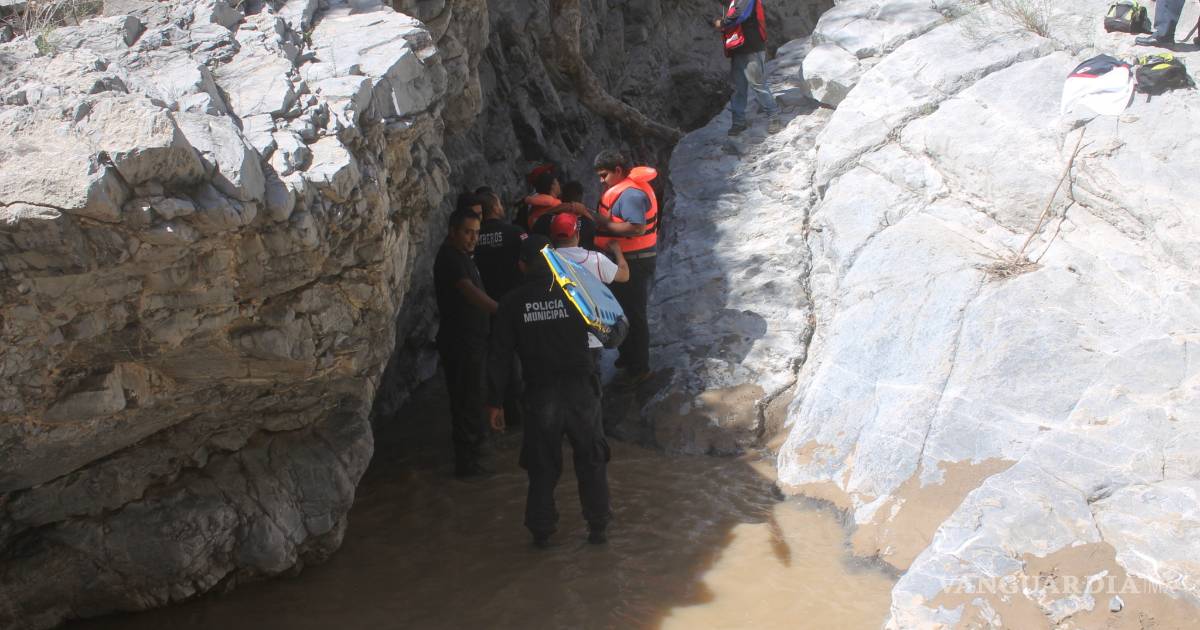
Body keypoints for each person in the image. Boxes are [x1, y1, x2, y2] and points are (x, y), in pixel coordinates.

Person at [486, 235, 612, 547]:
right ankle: (598, 528)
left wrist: (495, 402)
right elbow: (612, 330)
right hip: (581, 391)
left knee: (542, 465)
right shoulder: (576, 293)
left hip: (541, 394)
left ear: (521, 266)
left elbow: (499, 356)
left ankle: (541, 534)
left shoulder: (512, 303)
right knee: (591, 460)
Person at [433, 208, 498, 478]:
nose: (473, 238)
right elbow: (469, 292)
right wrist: (503, 312)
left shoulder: (462, 256)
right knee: (467, 400)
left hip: (472, 340)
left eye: (477, 233)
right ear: (453, 231)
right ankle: (469, 467)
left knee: (473, 398)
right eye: (467, 232)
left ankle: (474, 462)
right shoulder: (451, 258)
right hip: (461, 342)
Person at [592, 149, 657, 387]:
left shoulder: (630, 195)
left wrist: (601, 222)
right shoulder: (624, 189)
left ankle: (639, 368)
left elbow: (637, 228)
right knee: (623, 311)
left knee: (634, 314)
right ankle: (628, 356)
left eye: (604, 175)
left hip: (634, 261)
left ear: (618, 170)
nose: (602, 181)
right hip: (626, 259)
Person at [473, 189, 527, 429]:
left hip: (486, 306)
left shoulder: (473, 237)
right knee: (522, 357)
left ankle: (504, 409)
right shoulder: (515, 232)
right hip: (517, 303)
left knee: (498, 358)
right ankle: (522, 413)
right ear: (495, 207)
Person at [550, 213, 629, 358]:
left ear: (552, 236)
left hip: (558, 336)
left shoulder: (546, 261)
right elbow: (624, 275)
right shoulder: (596, 259)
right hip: (593, 338)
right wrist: (618, 252)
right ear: (577, 234)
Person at [713, 0, 782, 136]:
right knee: (738, 88)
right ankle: (738, 122)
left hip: (751, 48)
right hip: (738, 49)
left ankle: (774, 117)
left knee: (758, 85)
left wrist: (721, 23)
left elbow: (741, 15)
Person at [532, 180, 598, 250]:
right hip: (581, 257)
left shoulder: (544, 219)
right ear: (581, 197)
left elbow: (534, 242)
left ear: (561, 196)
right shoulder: (589, 223)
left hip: (550, 256)